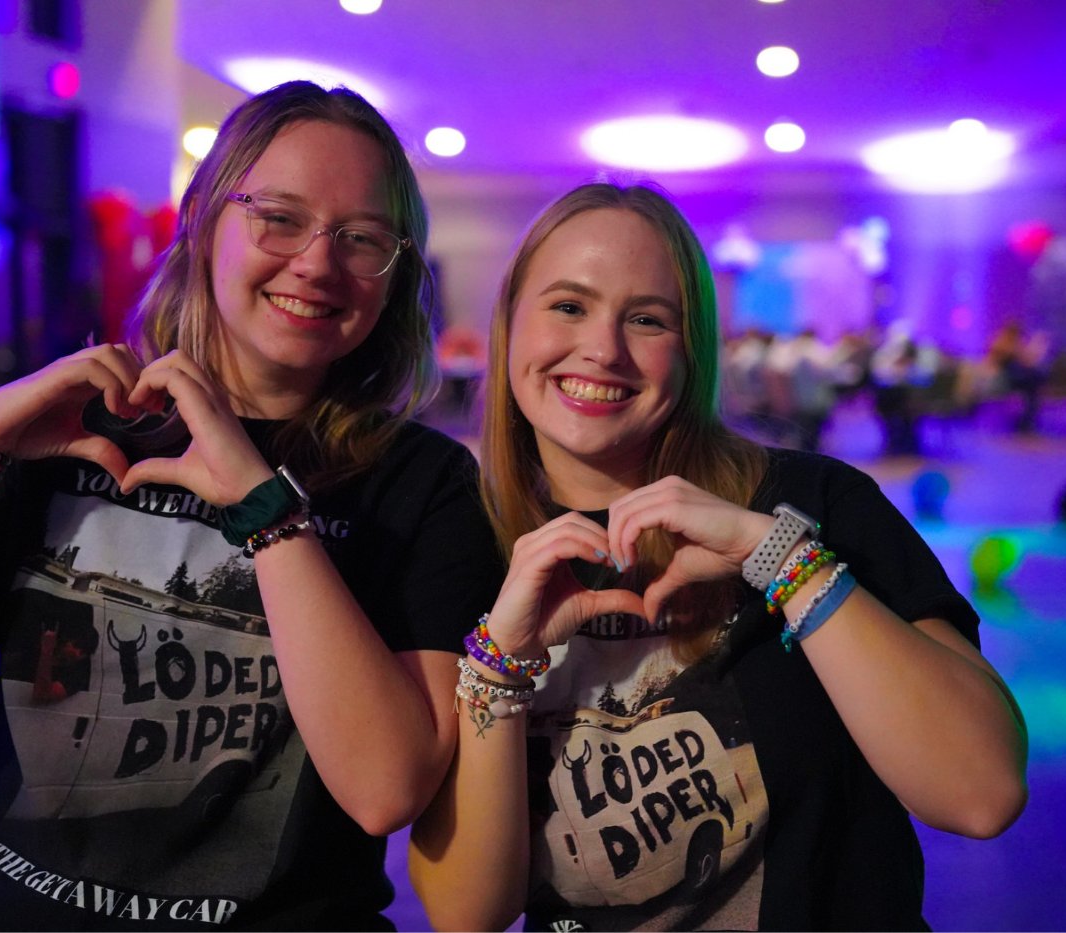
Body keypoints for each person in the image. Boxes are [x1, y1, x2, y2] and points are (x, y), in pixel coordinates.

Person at [0, 81, 503, 931]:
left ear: (393, 275)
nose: (318, 262)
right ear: (202, 218)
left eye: (362, 239)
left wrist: (264, 509)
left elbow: (383, 789)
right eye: (278, 216)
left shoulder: (423, 484)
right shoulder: (69, 435)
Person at [408, 183, 1027, 931]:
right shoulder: (467, 544)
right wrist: (499, 663)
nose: (603, 348)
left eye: (646, 318)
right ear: (510, 326)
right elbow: (465, 911)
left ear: (691, 347)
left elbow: (980, 791)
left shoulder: (812, 500)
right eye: (568, 305)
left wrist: (781, 561)